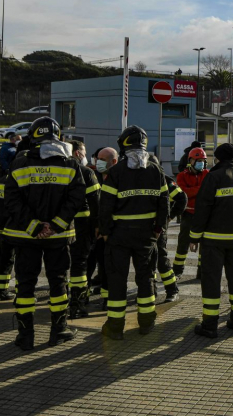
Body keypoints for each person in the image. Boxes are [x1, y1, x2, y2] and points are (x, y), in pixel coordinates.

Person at [2, 118, 86, 350]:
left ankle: (25, 336)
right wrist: (55, 226)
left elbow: (11, 199)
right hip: (58, 238)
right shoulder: (70, 163)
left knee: (25, 284)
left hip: (26, 237)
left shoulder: (20, 162)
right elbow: (77, 198)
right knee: (58, 283)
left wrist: (34, 227)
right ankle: (59, 330)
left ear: (33, 136)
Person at [98, 126, 170, 340]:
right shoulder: (156, 171)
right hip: (147, 235)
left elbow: (106, 206)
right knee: (146, 277)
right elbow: (164, 204)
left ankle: (115, 327)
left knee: (117, 280)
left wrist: (105, 232)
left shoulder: (116, 172)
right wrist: (158, 229)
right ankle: (146, 323)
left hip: (119, 235)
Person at [190, 143, 233, 338]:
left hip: (213, 240)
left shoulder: (213, 177)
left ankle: (209, 325)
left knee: (211, 281)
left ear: (218, 158)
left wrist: (194, 236)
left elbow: (203, 208)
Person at [0, 135, 29, 302]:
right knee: (22, 262)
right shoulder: (22, 182)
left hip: (3, 229)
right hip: (19, 230)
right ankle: (21, 292)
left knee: (4, 260)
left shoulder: (1, 180)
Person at [67, 140, 100, 318]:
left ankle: (60, 298)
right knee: (80, 264)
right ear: (78, 153)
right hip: (82, 225)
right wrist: (97, 225)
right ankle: (77, 303)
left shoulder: (59, 171)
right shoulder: (87, 173)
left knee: (61, 264)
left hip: (61, 225)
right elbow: (96, 202)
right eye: (84, 152)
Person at [149, 154, 187, 303]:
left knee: (161, 260)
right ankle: (151, 289)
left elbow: (182, 199)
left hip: (158, 228)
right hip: (144, 227)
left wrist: (169, 217)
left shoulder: (164, 181)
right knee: (147, 261)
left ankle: (172, 290)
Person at [174, 147, 209, 277]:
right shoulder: (182, 176)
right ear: (191, 160)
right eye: (198, 160)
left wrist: (193, 190)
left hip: (203, 215)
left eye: (203, 160)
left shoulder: (207, 174)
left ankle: (201, 272)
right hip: (188, 215)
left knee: (204, 245)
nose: (201, 163)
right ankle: (177, 271)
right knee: (183, 244)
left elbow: (208, 192)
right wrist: (201, 189)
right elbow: (184, 193)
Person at [91, 147, 119, 309]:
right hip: (97, 230)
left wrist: (106, 228)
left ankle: (109, 299)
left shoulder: (120, 177)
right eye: (97, 159)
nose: (97, 162)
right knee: (98, 262)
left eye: (101, 160)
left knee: (112, 266)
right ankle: (101, 293)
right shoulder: (93, 176)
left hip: (113, 231)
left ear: (113, 162)